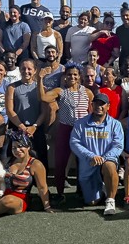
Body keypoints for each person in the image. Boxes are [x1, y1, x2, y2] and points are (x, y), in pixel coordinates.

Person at [38, 65, 93, 203]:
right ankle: (60, 193)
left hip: (82, 131)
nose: (72, 77)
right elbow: (43, 98)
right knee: (60, 161)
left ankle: (81, 191)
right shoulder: (60, 91)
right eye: (69, 74)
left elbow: (91, 111)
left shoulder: (87, 92)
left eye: (75, 74)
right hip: (65, 129)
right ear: (65, 76)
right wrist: (40, 79)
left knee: (83, 162)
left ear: (79, 76)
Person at [70, 93, 124, 216]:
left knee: (109, 166)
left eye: (102, 104)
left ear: (108, 106)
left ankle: (111, 200)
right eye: (96, 103)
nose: (99, 106)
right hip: (88, 164)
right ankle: (104, 188)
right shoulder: (80, 123)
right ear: (91, 105)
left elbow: (118, 145)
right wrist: (91, 156)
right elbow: (74, 143)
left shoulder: (116, 124)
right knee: (92, 202)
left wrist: (103, 158)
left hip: (106, 160)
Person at [5, 59, 49, 168]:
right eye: (23, 68)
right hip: (17, 127)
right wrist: (22, 127)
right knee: (14, 157)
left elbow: (44, 112)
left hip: (35, 128)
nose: (26, 71)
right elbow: (10, 111)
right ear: (19, 70)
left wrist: (34, 127)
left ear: (35, 70)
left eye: (29, 69)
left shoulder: (41, 88)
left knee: (40, 156)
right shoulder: (12, 87)